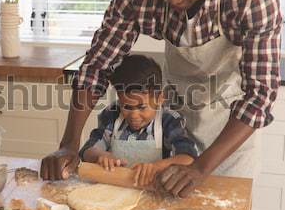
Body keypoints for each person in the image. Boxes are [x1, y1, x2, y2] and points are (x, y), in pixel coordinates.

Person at [41, 0, 281, 198]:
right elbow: (98, 65)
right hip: (174, 107)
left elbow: (259, 95)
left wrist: (200, 167)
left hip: (229, 120)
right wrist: (68, 144)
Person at [79, 54, 198, 187]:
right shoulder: (111, 115)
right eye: (127, 107)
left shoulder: (169, 121)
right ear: (119, 97)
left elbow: (189, 158)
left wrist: (156, 166)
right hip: (115, 188)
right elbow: (86, 151)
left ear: (159, 98)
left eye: (142, 107)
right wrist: (100, 155)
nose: (134, 115)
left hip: (153, 189)